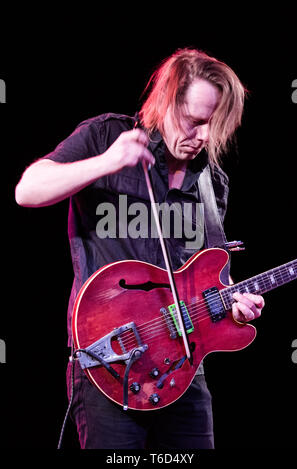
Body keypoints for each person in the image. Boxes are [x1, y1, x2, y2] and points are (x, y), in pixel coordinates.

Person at [15, 48, 265, 449]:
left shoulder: (211, 182)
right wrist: (106, 163)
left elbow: (208, 271)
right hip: (109, 364)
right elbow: (27, 191)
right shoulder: (105, 136)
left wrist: (234, 305)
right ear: (166, 101)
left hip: (183, 368)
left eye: (213, 125)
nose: (203, 137)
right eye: (195, 122)